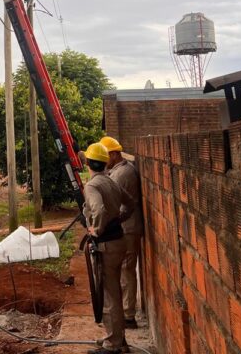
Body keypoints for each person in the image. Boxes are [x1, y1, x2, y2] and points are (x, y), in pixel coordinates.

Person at [82, 143, 134, 354]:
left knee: (110, 295)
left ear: (88, 163)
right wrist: (119, 218)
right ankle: (117, 339)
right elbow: (130, 202)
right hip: (119, 241)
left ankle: (113, 344)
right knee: (114, 293)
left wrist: (97, 229)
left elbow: (99, 209)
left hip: (107, 245)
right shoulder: (111, 180)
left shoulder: (93, 186)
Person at [101, 136, 143, 330]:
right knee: (124, 271)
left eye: (106, 155)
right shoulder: (118, 171)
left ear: (115, 154)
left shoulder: (122, 174)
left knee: (126, 271)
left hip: (127, 228)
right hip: (125, 227)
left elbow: (118, 205)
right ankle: (125, 312)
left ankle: (128, 315)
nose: (104, 159)